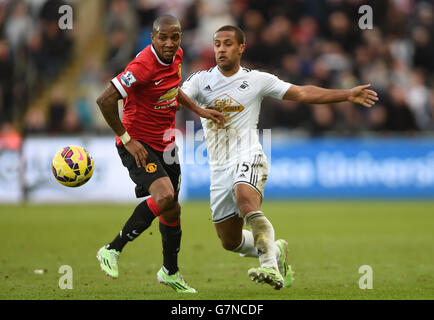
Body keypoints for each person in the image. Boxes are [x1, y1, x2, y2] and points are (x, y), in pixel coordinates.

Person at [181, 25, 378, 290]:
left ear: (241, 48)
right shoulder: (199, 80)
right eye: (217, 44)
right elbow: (175, 97)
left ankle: (271, 269)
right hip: (218, 167)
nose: (221, 49)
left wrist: (346, 94)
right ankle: (276, 250)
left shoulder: (257, 80)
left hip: (248, 154)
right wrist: (196, 109)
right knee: (230, 242)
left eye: (228, 43)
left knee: (246, 199)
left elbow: (302, 92)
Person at [95, 15, 225, 294]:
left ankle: (170, 272)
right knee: (164, 196)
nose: (169, 43)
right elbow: (105, 100)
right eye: (162, 37)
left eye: (174, 37)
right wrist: (127, 139)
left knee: (172, 208)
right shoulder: (142, 66)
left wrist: (199, 111)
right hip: (138, 144)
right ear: (152, 38)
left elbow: (172, 89)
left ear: (180, 38)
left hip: (165, 144)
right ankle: (111, 249)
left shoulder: (177, 56)